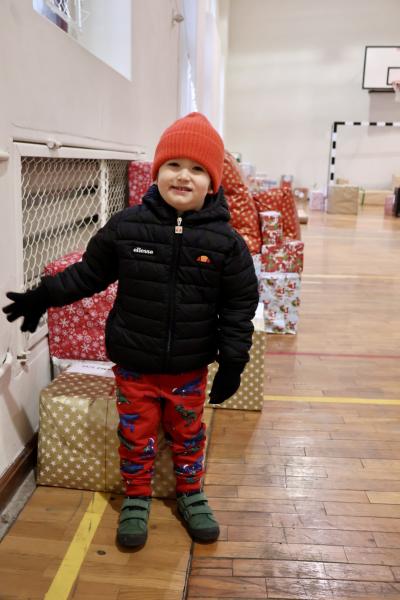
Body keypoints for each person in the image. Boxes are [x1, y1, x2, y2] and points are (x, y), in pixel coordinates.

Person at [3, 112, 259, 548]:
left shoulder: (226, 244)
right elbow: (88, 273)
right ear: (156, 170)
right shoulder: (127, 227)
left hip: (188, 368)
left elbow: (239, 305)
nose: (184, 175)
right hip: (134, 366)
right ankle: (137, 497)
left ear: (213, 182)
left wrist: (234, 359)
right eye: (173, 164)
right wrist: (42, 295)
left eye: (198, 169)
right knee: (136, 434)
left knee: (188, 433)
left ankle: (191, 492)